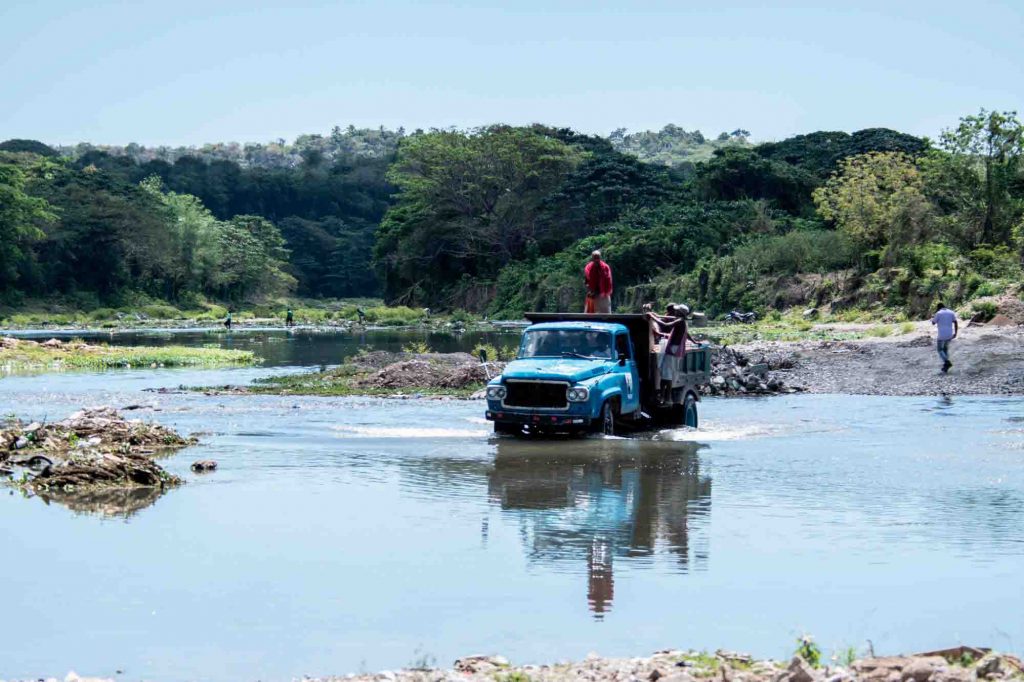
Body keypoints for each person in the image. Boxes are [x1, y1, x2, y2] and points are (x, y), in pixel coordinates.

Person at [648, 304, 699, 402]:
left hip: (673, 349)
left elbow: (666, 325)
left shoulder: (679, 321)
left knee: (666, 374)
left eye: (676, 311)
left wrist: (653, 317)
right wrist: (694, 341)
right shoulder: (682, 322)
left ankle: (666, 398)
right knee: (667, 374)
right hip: (674, 348)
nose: (674, 312)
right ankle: (665, 397)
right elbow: (686, 334)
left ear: (680, 313)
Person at [931, 301, 958, 373]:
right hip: (949, 334)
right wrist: (955, 333)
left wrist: (934, 316)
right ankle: (946, 366)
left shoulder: (938, 313)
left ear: (938, 308)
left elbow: (933, 323)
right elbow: (955, 322)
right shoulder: (951, 312)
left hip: (941, 335)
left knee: (940, 350)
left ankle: (947, 362)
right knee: (945, 349)